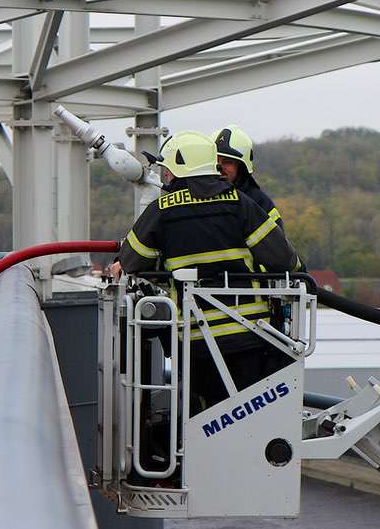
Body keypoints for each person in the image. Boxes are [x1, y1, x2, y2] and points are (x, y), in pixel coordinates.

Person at [115, 130, 301, 413]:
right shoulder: (240, 203)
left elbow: (132, 260)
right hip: (250, 334)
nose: (164, 177)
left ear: (177, 169)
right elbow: (283, 260)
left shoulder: (161, 210)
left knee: (204, 417)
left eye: (167, 171)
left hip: (196, 340)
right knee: (255, 414)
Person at [212, 125, 285, 234]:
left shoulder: (260, 203)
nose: (219, 167)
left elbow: (278, 246)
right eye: (215, 160)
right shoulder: (194, 198)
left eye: (227, 162)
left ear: (241, 168)